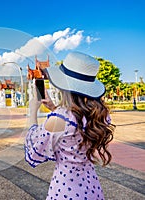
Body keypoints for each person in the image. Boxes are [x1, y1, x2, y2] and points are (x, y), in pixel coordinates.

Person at [25, 51, 115, 200]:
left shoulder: (60, 118)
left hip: (66, 189)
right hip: (91, 186)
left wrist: (33, 111)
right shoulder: (100, 115)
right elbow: (74, 123)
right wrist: (54, 108)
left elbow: (34, 149)